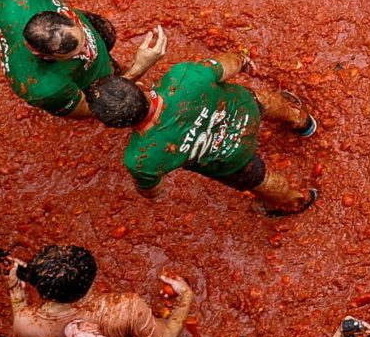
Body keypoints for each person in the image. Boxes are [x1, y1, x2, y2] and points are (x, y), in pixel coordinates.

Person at [84, 50, 317, 215]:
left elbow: (153, 191)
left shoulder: (141, 158)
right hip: (245, 110)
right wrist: (243, 59)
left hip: (229, 159)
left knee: (260, 179)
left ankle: (297, 201)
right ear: (142, 88)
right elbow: (230, 63)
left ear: (114, 125)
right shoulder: (184, 78)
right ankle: (302, 122)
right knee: (263, 101)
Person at [0, 0, 163, 117]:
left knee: (106, 32)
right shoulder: (46, 88)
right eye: (75, 54)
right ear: (44, 56)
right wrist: (139, 68)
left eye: (82, 39)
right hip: (87, 81)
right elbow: (87, 110)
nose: (88, 49)